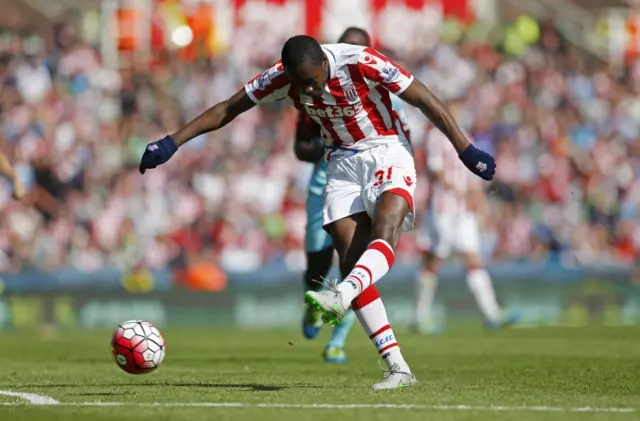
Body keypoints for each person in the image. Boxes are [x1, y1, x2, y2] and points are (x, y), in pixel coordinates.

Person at [138, 35, 496, 389]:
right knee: (354, 260)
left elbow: (423, 97)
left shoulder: (359, 61)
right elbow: (228, 108)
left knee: (385, 229)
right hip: (340, 163)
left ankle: (342, 294)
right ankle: (398, 367)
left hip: (386, 149)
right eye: (299, 85)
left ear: (325, 64)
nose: (307, 92)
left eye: (312, 82)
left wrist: (465, 150)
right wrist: (173, 142)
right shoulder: (279, 77)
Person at [295, 27, 411, 364]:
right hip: (327, 184)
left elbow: (401, 140)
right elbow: (300, 147)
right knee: (317, 267)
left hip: (373, 176)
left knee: (354, 263)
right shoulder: (313, 92)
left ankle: (339, 341)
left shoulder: (382, 98)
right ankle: (315, 302)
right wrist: (329, 141)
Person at [414, 127, 519, 334]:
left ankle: (492, 314)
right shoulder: (436, 136)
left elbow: (473, 173)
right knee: (434, 259)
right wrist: (458, 189)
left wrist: (478, 202)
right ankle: (420, 316)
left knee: (473, 258)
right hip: (442, 209)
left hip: (462, 212)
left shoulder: (466, 136)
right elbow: (435, 169)